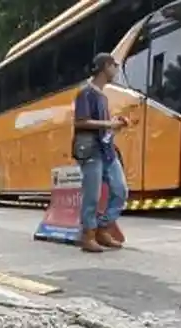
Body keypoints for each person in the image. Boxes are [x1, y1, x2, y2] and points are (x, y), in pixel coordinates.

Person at [73, 52, 129, 253]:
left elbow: (103, 124)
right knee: (92, 196)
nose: (116, 69)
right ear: (105, 66)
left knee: (120, 190)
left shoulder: (103, 97)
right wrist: (108, 123)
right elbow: (80, 121)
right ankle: (88, 234)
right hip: (91, 151)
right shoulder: (85, 93)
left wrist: (116, 124)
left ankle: (103, 227)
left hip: (107, 150)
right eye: (114, 65)